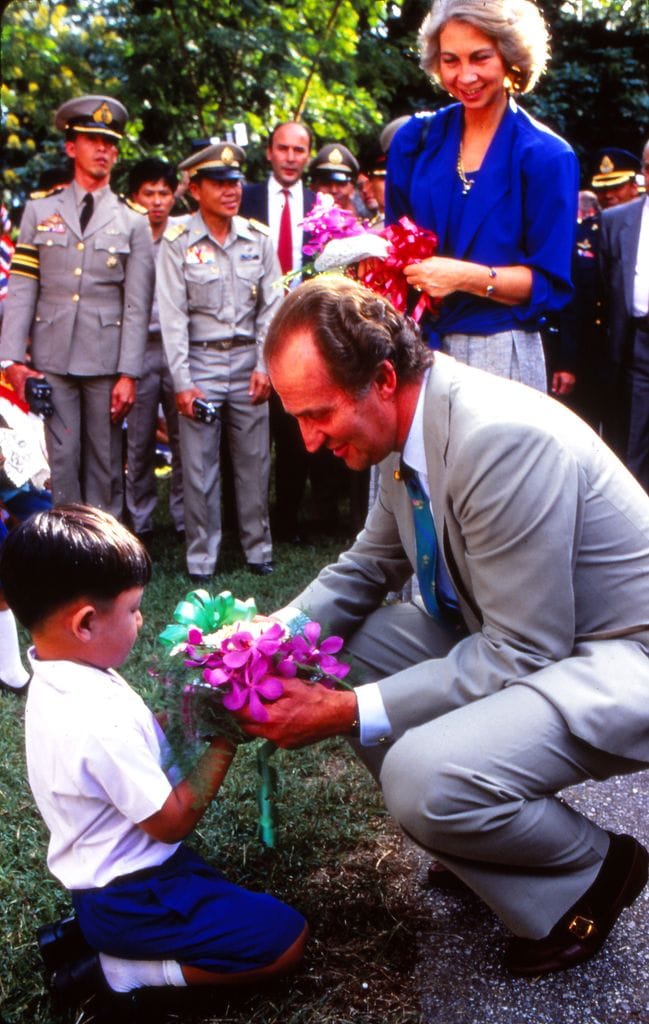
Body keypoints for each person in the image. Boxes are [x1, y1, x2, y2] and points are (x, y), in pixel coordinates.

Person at [234, 275, 649, 978]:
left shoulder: (496, 437)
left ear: (383, 378)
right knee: (347, 648)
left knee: (421, 780)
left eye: (317, 414)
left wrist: (343, 712)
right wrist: (263, 642)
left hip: (617, 661)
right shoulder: (409, 426)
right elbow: (365, 566)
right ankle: (492, 851)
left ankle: (594, 870)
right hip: (542, 643)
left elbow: (520, 649)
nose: (307, 442)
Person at [0, 504, 307, 1020]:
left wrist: (191, 708)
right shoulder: (94, 716)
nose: (142, 620)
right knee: (287, 940)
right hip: (133, 893)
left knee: (230, 903)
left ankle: (87, 938)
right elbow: (171, 821)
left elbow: (129, 750)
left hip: (114, 886)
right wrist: (226, 739)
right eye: (134, 609)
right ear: (86, 622)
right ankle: (120, 973)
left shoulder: (65, 674)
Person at [386, 0, 578, 392]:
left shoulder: (547, 156)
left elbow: (546, 283)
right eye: (450, 60)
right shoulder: (414, 140)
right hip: (415, 346)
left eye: (480, 58)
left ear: (510, 58)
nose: (466, 76)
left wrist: (464, 277)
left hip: (501, 354)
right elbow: (394, 248)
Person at [0, 95, 154, 519]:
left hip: (106, 362)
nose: (103, 150)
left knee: (105, 462)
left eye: (110, 144)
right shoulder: (39, 210)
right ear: (72, 147)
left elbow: (138, 304)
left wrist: (129, 373)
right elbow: (23, 285)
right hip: (53, 358)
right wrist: (12, 359)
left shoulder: (133, 221)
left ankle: (105, 555)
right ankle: (68, 555)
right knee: (62, 460)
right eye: (92, 140)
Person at [156, 142, 280, 583]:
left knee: (253, 463)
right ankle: (202, 557)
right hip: (201, 365)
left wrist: (266, 366)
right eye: (220, 183)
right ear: (195, 189)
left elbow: (272, 308)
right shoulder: (176, 243)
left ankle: (258, 548)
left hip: (249, 361)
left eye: (235, 182)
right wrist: (183, 383)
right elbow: (172, 317)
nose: (232, 190)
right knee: (199, 466)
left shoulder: (259, 239)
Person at [240, 122, 320, 542]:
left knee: (295, 429)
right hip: (249, 325)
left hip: (302, 329)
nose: (291, 157)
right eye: (283, 148)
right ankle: (246, 522)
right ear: (269, 152)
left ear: (308, 155)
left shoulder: (321, 207)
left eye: (299, 150)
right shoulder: (244, 199)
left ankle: (287, 518)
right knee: (249, 434)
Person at [125, 158, 185, 546]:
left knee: (184, 439)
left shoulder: (182, 235)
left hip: (178, 347)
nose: (157, 201)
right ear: (134, 196)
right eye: (149, 193)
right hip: (139, 348)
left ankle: (182, 519)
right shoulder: (126, 234)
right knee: (140, 440)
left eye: (164, 192)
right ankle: (141, 521)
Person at [599, 139, 649, 493]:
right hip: (637, 346)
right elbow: (604, 289)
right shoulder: (615, 221)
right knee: (634, 447)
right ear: (645, 172)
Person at [309, 144, 364, 218]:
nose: (333, 190)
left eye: (341, 184)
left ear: (352, 188)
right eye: (326, 183)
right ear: (312, 187)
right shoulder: (300, 222)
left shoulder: (366, 225)